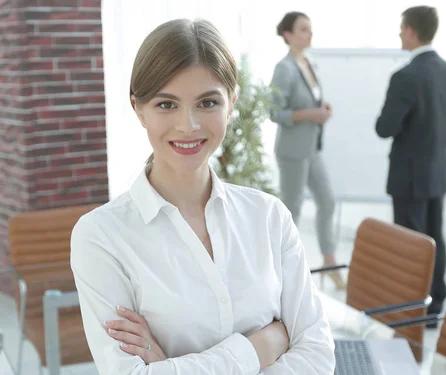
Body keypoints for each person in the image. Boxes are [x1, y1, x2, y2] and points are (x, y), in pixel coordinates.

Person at [70, 19, 335, 374]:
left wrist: (171, 366)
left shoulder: (269, 217)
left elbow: (317, 357)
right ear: (139, 109)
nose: (188, 125)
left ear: (231, 103)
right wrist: (259, 348)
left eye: (207, 102)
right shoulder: (101, 236)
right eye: (167, 105)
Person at [375, 6, 446, 326]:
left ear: (411, 31)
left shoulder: (405, 76)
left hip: (409, 175)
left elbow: (385, 127)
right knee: (435, 238)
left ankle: (410, 308)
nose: (399, 34)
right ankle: (434, 308)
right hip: (438, 170)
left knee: (410, 245)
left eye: (401, 28)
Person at [270, 11, 344, 289]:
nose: (309, 34)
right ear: (287, 35)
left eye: (310, 29)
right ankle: (285, 272)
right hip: (292, 151)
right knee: (292, 210)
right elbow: (274, 112)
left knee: (327, 201)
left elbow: (310, 101)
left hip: (312, 149)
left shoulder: (308, 64)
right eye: (303, 29)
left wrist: (321, 109)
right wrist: (311, 113)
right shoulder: (284, 68)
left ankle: (329, 261)